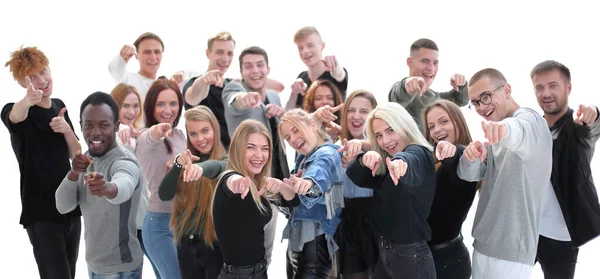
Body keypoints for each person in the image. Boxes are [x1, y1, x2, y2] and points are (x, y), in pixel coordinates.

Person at [457, 68, 552, 279]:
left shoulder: (531, 121)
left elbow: (518, 130)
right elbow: (468, 175)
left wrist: (505, 130)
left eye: (486, 97)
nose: (482, 107)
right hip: (483, 245)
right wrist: (470, 157)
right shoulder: (495, 133)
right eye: (475, 103)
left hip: (511, 253)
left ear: (506, 90)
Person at [2, 46, 82, 279]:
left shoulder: (59, 106)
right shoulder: (16, 111)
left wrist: (67, 130)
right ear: (22, 82)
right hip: (41, 214)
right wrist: (27, 100)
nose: (42, 80)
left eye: (43, 71)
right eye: (33, 76)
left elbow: (78, 157)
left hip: (70, 209)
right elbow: (14, 116)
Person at [55, 91, 143, 278]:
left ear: (116, 126)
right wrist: (73, 173)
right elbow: (62, 206)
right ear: (80, 126)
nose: (95, 133)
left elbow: (124, 184)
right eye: (89, 125)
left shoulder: (124, 160)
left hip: (121, 268)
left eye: (103, 125)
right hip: (95, 266)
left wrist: (106, 188)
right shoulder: (85, 160)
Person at [346, 102, 437, 279]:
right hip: (389, 254)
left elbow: (411, 158)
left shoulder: (418, 153)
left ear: (403, 125)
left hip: (411, 257)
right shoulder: (388, 161)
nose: (385, 141)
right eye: (378, 136)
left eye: (390, 130)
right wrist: (365, 160)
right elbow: (356, 176)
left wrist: (401, 162)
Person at [530, 60, 600, 279]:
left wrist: (594, 113)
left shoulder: (578, 127)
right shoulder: (532, 126)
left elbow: (593, 127)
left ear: (568, 88)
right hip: (526, 229)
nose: (546, 93)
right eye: (539, 87)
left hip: (560, 235)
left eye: (553, 85)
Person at [212, 119, 299, 279]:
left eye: (265, 149)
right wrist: (237, 182)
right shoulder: (230, 178)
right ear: (238, 149)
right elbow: (230, 182)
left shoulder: (259, 184)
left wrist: (280, 185)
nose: (259, 155)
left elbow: (293, 201)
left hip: (258, 271)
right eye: (250, 147)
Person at [158, 105, 228, 279]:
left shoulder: (227, 160)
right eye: (193, 134)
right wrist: (177, 165)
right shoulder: (184, 161)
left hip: (215, 246)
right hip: (186, 246)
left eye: (205, 131)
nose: (200, 138)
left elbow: (217, 167)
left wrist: (199, 168)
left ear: (215, 129)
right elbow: (164, 194)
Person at [278, 109, 345, 279]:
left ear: (313, 125)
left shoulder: (327, 152)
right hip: (301, 247)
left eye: (296, 130)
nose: (293, 139)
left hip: (315, 250)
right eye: (287, 137)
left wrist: (307, 183)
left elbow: (318, 172)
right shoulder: (302, 158)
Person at [136, 78, 187, 279]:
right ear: (151, 107)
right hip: (158, 226)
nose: (168, 110)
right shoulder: (145, 136)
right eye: (161, 104)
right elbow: (151, 136)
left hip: (182, 222)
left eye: (173, 103)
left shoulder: (181, 135)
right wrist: (158, 130)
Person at [422, 100, 479, 279]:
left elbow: (456, 157)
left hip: (449, 261)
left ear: (458, 122)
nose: (437, 129)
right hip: (429, 258)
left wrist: (450, 150)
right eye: (431, 126)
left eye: (444, 121)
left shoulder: (465, 156)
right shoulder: (432, 160)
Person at [109, 83, 160, 277]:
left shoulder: (142, 134)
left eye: (135, 105)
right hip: (122, 225)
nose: (131, 111)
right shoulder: (111, 136)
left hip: (146, 219)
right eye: (126, 106)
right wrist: (117, 130)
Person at [332, 90, 379, 279]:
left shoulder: (383, 147)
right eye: (351, 110)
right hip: (346, 222)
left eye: (364, 111)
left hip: (376, 222)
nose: (356, 116)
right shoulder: (334, 147)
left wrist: (363, 147)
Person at [388, 38, 469, 131]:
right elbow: (397, 97)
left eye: (435, 63)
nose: (431, 68)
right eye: (424, 61)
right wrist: (407, 84)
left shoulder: (435, 97)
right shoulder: (403, 93)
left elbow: (462, 100)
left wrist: (461, 84)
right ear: (409, 62)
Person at [108, 32, 185, 103]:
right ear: (136, 55)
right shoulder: (127, 79)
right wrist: (123, 54)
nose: (153, 57)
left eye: (157, 52)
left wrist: (182, 72)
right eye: (147, 52)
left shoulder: (167, 86)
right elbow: (114, 68)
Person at [285, 26, 348, 111]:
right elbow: (288, 114)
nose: (305, 51)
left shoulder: (334, 73)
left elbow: (339, 74)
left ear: (322, 46)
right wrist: (294, 93)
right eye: (300, 48)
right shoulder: (302, 77)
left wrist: (335, 66)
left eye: (310, 45)